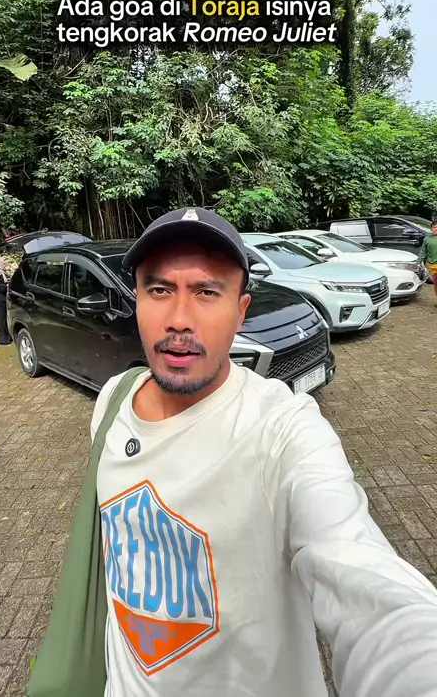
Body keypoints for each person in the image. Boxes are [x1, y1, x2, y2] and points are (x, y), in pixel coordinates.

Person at [89, 208, 437, 697]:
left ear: (241, 311)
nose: (179, 319)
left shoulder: (282, 428)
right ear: (138, 300)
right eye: (160, 290)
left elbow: (361, 571)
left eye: (207, 292)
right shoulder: (112, 401)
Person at [418, 220, 437, 304]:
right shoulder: (427, 239)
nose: (436, 229)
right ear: (431, 229)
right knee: (436, 283)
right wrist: (419, 261)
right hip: (432, 264)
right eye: (434, 227)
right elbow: (423, 251)